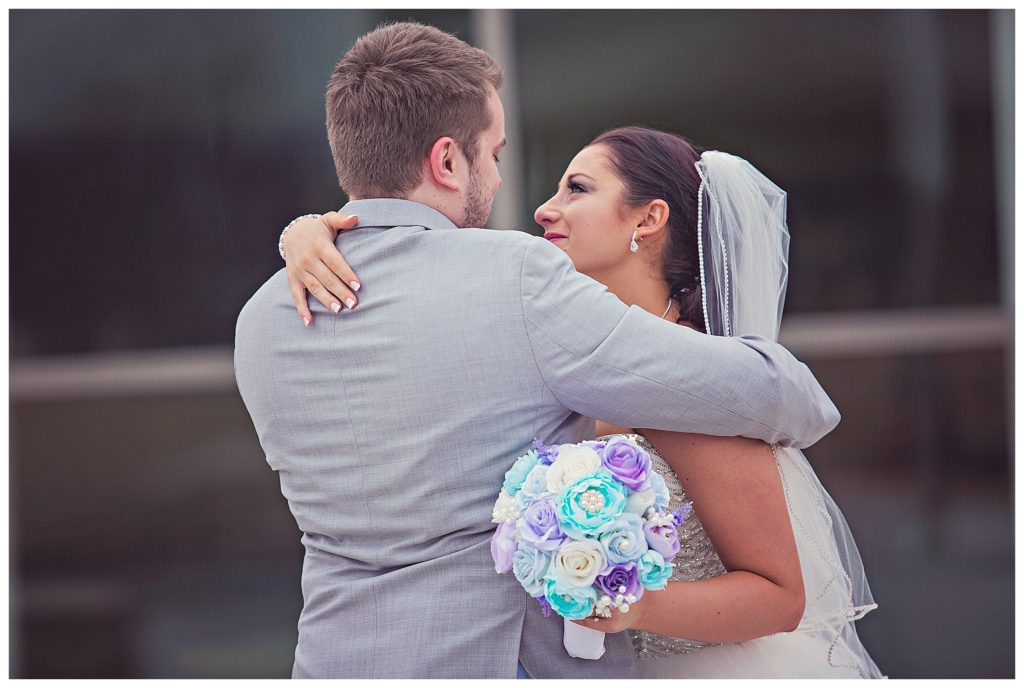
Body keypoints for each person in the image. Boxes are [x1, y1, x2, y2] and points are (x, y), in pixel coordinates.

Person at [235, 21, 840, 680]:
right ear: (446, 161)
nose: (503, 185)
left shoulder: (263, 319)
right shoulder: (513, 279)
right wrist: (811, 401)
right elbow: (756, 393)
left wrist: (303, 230)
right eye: (493, 155)